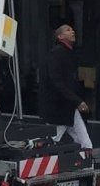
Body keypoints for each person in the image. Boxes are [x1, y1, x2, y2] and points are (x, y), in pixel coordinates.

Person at [40, 22, 93, 150]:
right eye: (68, 30)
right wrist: (77, 101)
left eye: (72, 29)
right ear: (60, 36)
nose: (72, 31)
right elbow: (57, 81)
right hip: (59, 107)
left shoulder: (69, 53)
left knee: (84, 142)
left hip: (69, 106)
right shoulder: (57, 53)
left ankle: (86, 159)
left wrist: (77, 101)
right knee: (52, 140)